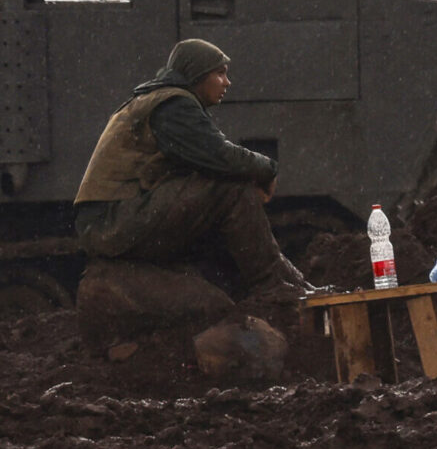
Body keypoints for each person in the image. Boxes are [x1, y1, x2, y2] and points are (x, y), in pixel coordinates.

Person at [73, 38, 312, 303]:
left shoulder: (159, 99)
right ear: (198, 74)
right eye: (220, 73)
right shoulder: (173, 105)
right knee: (231, 190)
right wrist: (268, 169)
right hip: (112, 221)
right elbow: (222, 156)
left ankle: (282, 282)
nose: (227, 82)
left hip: (118, 217)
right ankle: (271, 284)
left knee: (221, 188)